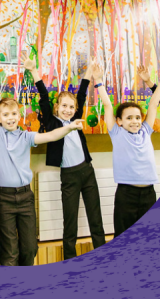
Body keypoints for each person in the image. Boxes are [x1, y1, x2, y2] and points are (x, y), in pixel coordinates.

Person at [0, 62, 87, 266]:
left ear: (19, 116)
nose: (10, 118)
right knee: (10, 251)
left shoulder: (25, 136)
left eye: (14, 114)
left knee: (30, 248)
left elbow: (50, 135)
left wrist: (70, 128)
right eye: (5, 115)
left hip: (25, 196)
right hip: (3, 198)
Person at [35, 69, 106, 259]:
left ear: (76, 109)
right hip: (69, 176)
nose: (67, 110)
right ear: (57, 107)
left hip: (87, 171)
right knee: (70, 222)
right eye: (64, 106)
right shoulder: (52, 123)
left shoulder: (76, 119)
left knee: (96, 219)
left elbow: (81, 94)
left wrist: (89, 71)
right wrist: (34, 71)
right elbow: (43, 97)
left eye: (71, 107)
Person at [107, 72, 160, 237]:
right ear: (119, 121)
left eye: (138, 117)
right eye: (129, 118)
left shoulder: (146, 131)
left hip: (149, 194)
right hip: (127, 194)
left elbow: (153, 105)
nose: (135, 121)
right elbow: (107, 106)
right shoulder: (117, 134)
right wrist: (98, 81)